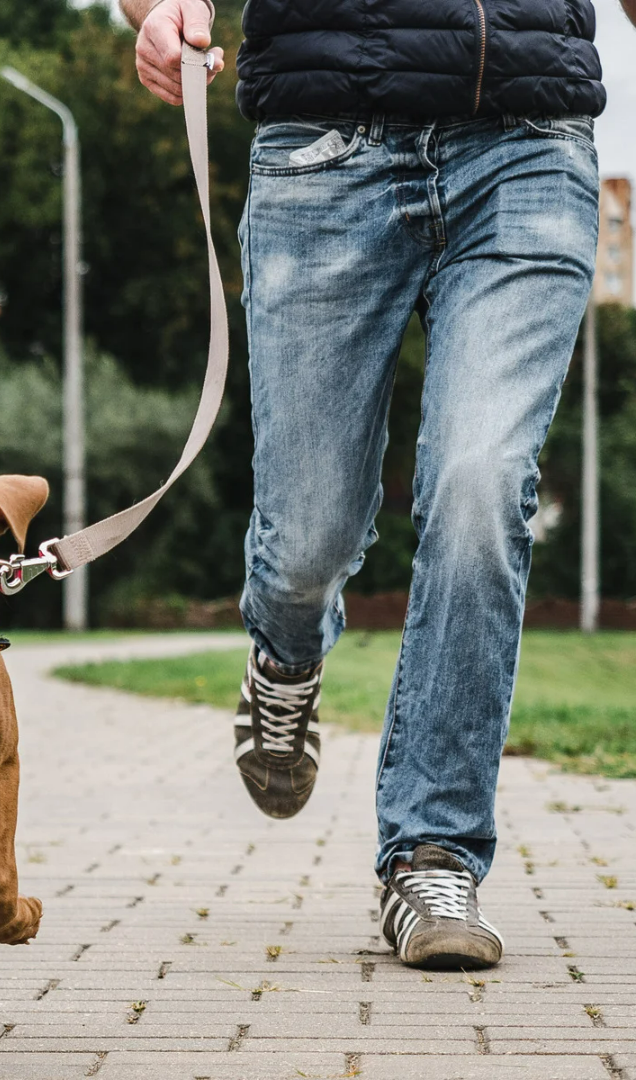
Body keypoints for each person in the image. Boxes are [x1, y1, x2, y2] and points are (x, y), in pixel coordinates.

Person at [122, 0, 635, 970]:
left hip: (527, 142)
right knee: (308, 539)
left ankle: (433, 846)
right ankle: (284, 658)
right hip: (324, 140)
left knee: (483, 487)